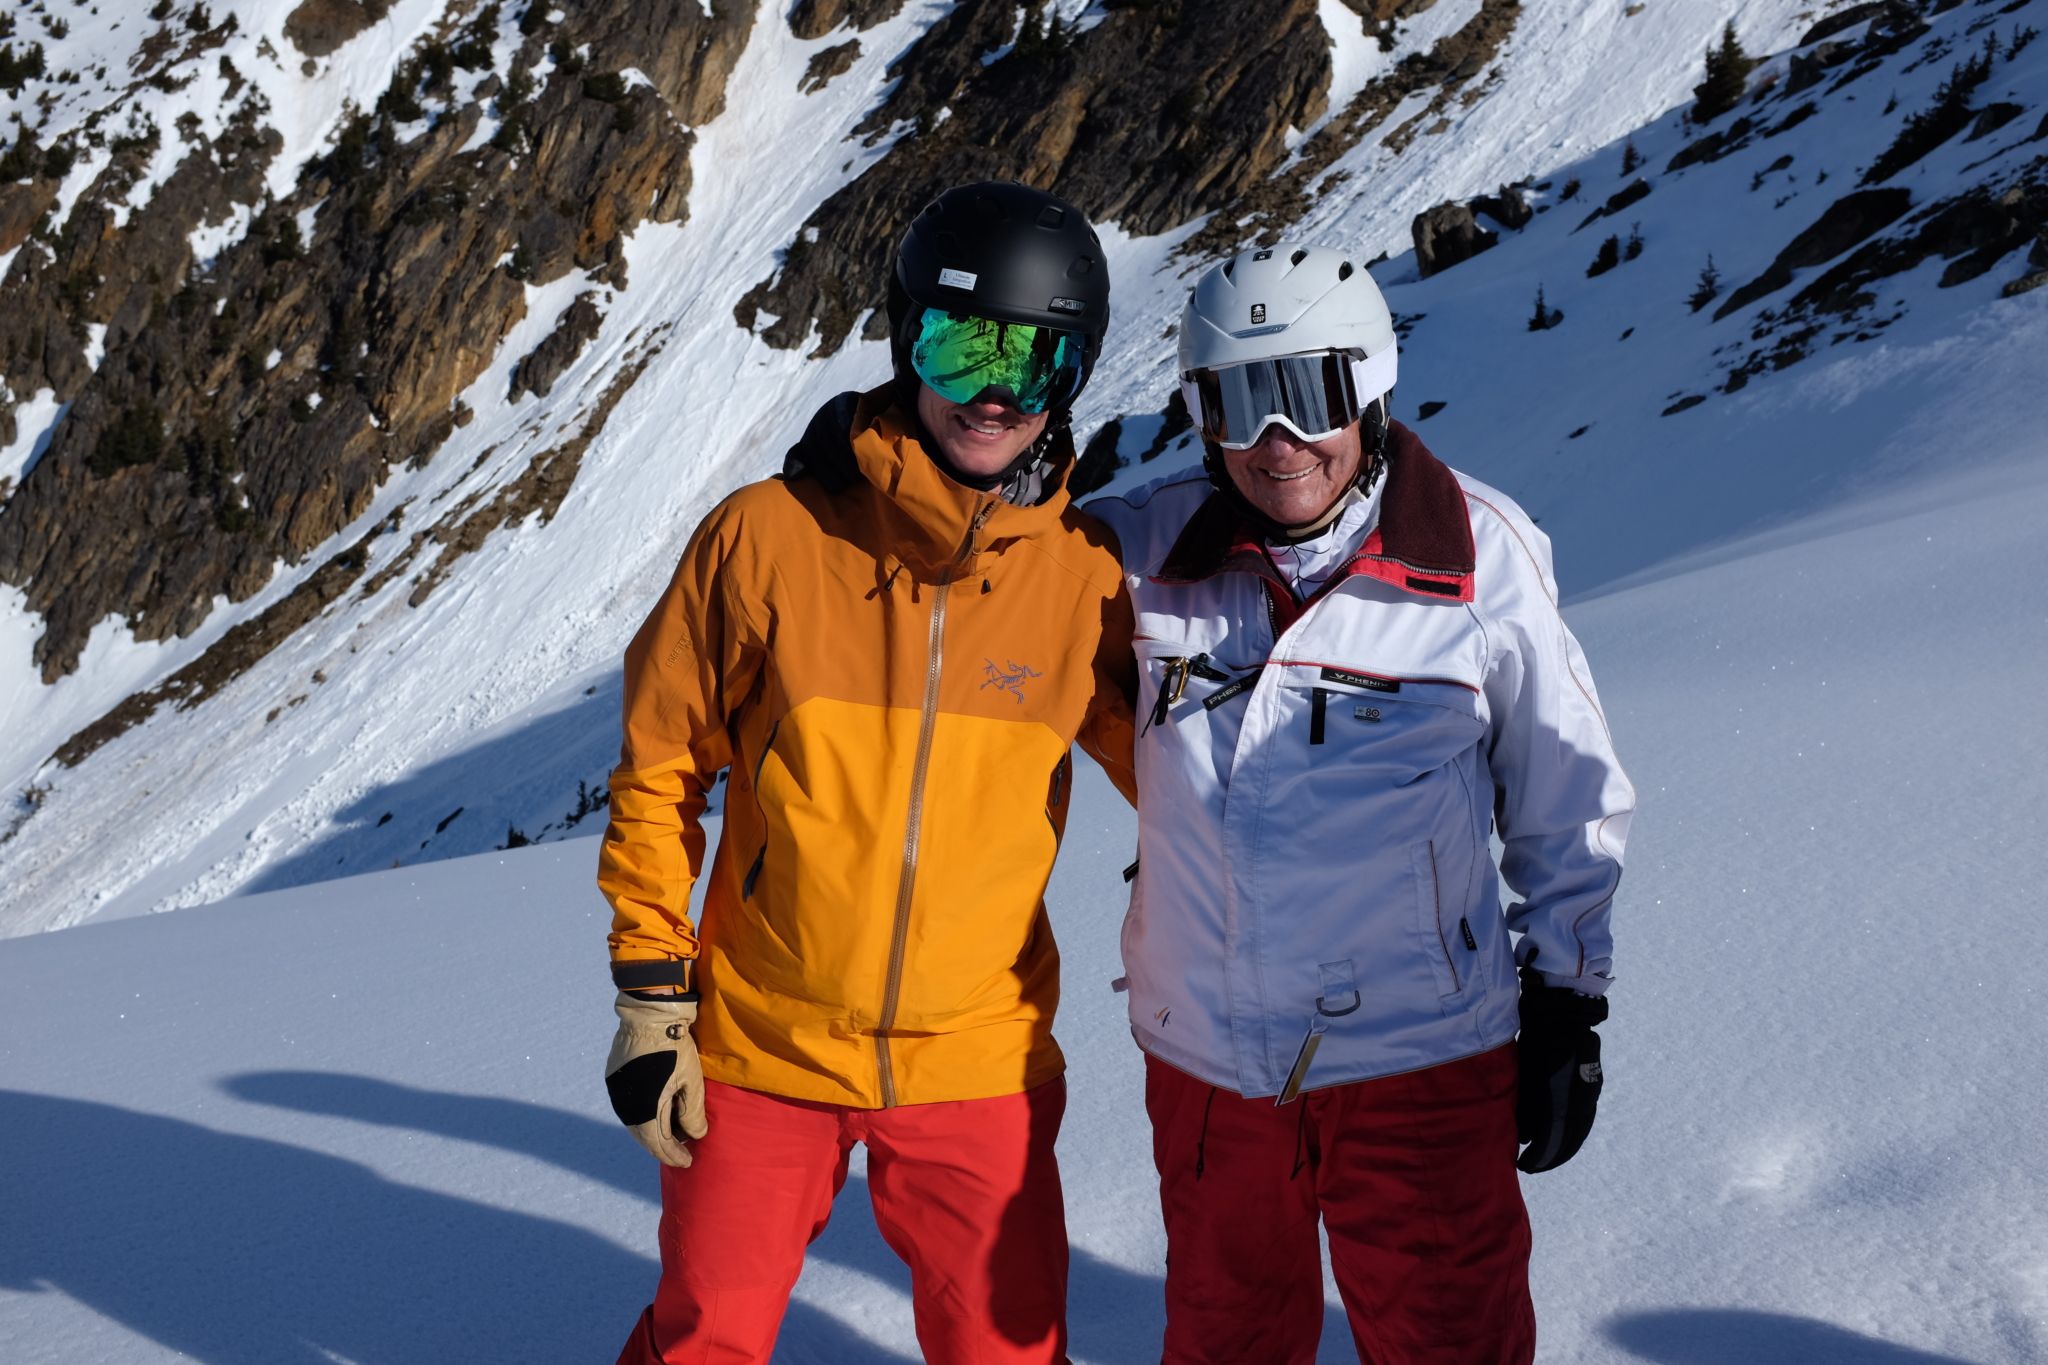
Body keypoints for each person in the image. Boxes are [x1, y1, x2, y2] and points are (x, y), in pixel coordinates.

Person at [598, 181, 1136, 1365]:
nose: (992, 393)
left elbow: (1188, 778)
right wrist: (651, 989)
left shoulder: (1083, 581)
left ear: (1072, 377)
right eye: (961, 345)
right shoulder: (767, 540)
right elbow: (658, 764)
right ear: (907, 344)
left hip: (976, 1060)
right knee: (706, 1343)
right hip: (760, 1051)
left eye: (1032, 362)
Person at [1087, 243, 1635, 1364]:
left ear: (1371, 388)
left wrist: (1567, 1002)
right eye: (1238, 403)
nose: (1277, 442)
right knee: (1226, 1339)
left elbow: (1564, 791)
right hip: (1208, 1061)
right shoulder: (1136, 554)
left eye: (1310, 393)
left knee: (1448, 1339)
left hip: (1417, 1054)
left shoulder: (1479, 558)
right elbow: (978, 574)